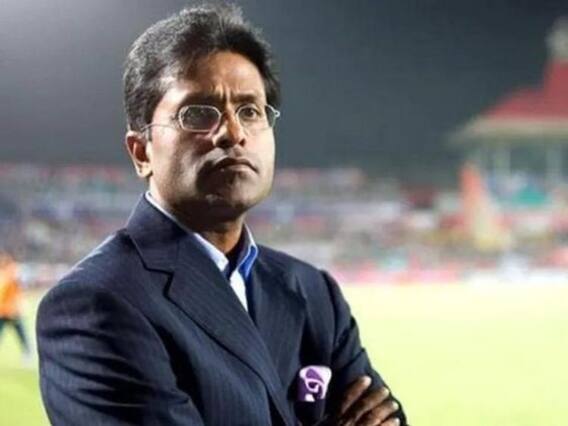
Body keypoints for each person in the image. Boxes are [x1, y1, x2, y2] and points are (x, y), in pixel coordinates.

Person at [37, 5, 407, 426]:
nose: (234, 132)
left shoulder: (312, 292)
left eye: (250, 110)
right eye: (198, 113)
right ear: (141, 152)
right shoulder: (95, 304)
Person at [0, 251, 32, 364]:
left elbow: (21, 285)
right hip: (3, 310)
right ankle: (27, 352)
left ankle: (27, 352)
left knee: (21, 333)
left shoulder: (13, 271)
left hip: (13, 310)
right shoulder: (3, 272)